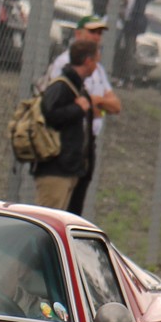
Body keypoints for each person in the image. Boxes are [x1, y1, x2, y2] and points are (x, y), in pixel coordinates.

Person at [47, 15, 123, 215]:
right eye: (92, 32)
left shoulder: (97, 69)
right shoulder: (65, 63)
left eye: (99, 34)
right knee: (58, 208)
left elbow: (115, 106)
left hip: (88, 141)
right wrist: (96, 104)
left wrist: (95, 103)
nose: (97, 37)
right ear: (78, 34)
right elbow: (73, 105)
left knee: (76, 206)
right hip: (67, 141)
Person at [33, 38, 98, 210]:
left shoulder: (79, 88)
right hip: (56, 170)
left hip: (72, 170)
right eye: (96, 61)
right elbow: (48, 115)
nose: (96, 66)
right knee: (48, 221)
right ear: (88, 61)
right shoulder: (61, 86)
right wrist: (77, 109)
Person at [117, 0, 157, 86]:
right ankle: (116, 75)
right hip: (121, 19)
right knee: (118, 48)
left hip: (133, 22)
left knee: (130, 50)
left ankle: (128, 77)